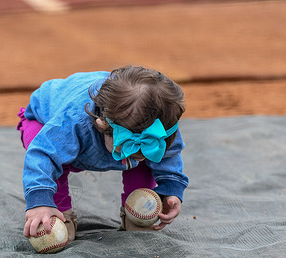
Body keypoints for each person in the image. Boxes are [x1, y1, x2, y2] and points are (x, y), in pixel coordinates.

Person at [17, 65, 189, 242]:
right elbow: (44, 154)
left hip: (108, 125)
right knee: (53, 152)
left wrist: (171, 187)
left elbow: (169, 153)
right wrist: (39, 201)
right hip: (44, 122)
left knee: (143, 158)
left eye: (147, 148)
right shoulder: (72, 123)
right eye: (128, 148)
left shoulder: (161, 126)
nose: (136, 154)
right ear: (102, 125)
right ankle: (59, 213)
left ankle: (137, 211)